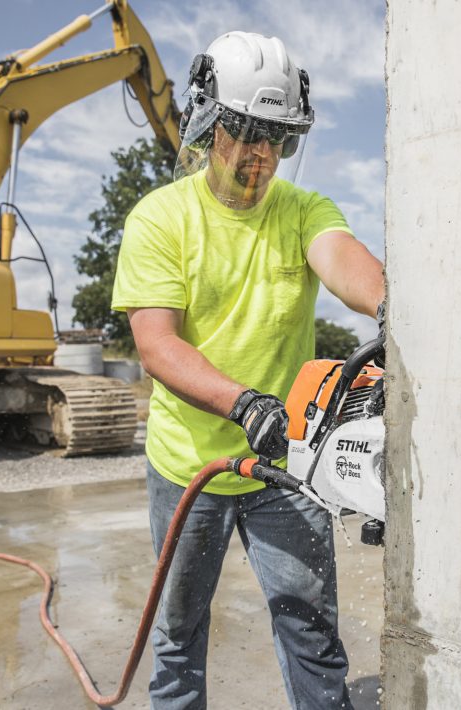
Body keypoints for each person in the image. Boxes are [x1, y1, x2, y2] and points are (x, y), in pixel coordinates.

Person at [111, 30, 385, 709]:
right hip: (189, 468)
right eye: (247, 131)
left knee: (311, 628)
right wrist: (244, 404)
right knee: (178, 633)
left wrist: (395, 306)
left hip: (285, 467)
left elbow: (342, 258)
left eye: (279, 138)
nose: (261, 154)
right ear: (209, 124)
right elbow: (156, 345)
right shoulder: (160, 219)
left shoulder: (303, 211)